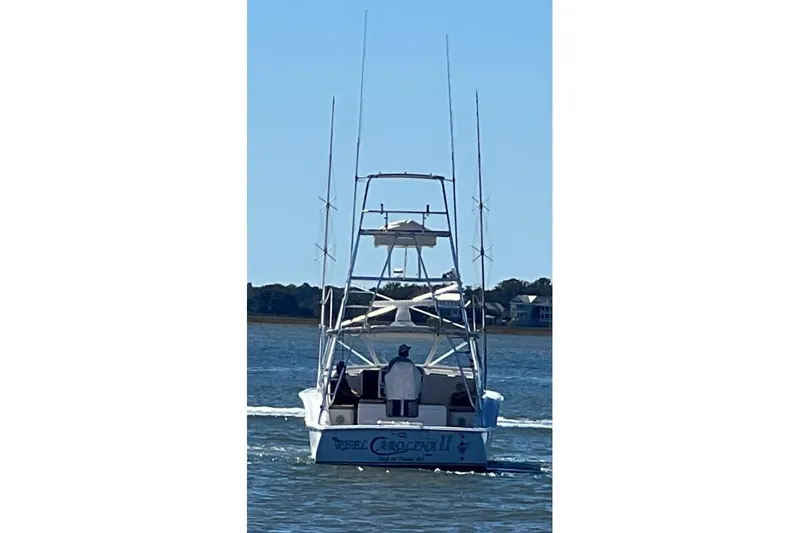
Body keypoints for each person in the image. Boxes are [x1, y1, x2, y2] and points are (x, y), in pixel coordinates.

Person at [383, 344, 422, 417]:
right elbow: (416, 376)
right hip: (408, 391)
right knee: (406, 404)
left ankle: (395, 416)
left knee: (396, 404)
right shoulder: (410, 362)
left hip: (394, 391)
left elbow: (388, 375)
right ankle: (406, 416)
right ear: (406, 353)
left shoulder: (393, 362)